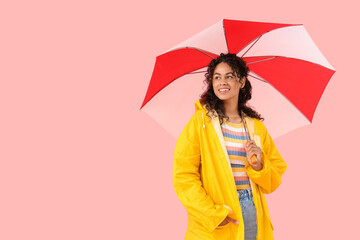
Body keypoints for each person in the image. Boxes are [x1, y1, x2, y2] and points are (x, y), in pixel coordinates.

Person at [172, 53, 287, 240]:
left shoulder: (255, 127)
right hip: (218, 212)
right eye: (217, 77)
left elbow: (275, 178)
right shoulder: (201, 122)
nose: (221, 82)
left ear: (241, 82)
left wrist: (259, 166)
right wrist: (213, 213)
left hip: (251, 209)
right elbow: (183, 175)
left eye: (229, 76)